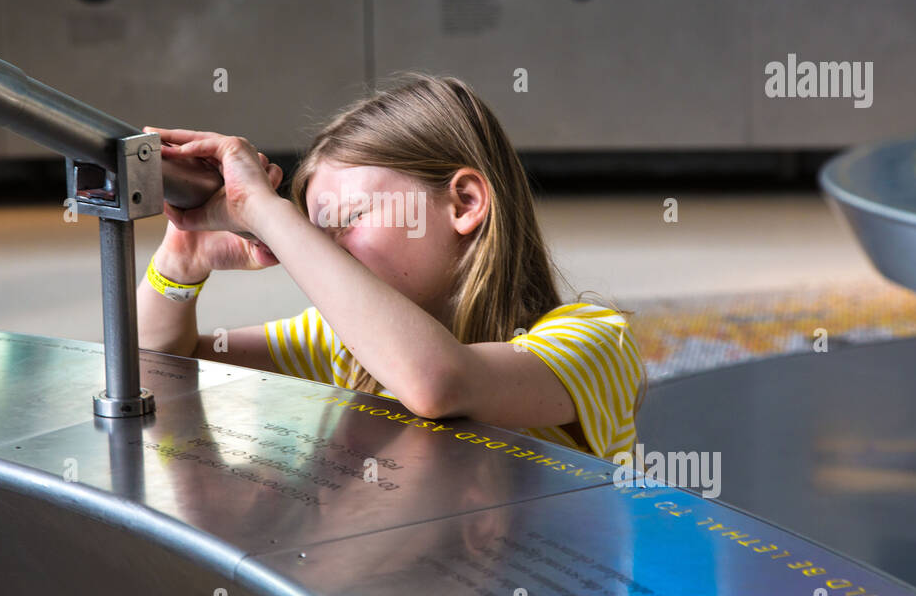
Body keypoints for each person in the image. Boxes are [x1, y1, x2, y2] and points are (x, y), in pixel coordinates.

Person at [136, 72, 646, 464]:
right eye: (318, 233)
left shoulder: (595, 344)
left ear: (465, 203)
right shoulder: (342, 343)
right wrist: (179, 262)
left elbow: (439, 384)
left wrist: (267, 212)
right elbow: (155, 372)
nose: (323, 253)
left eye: (351, 218)